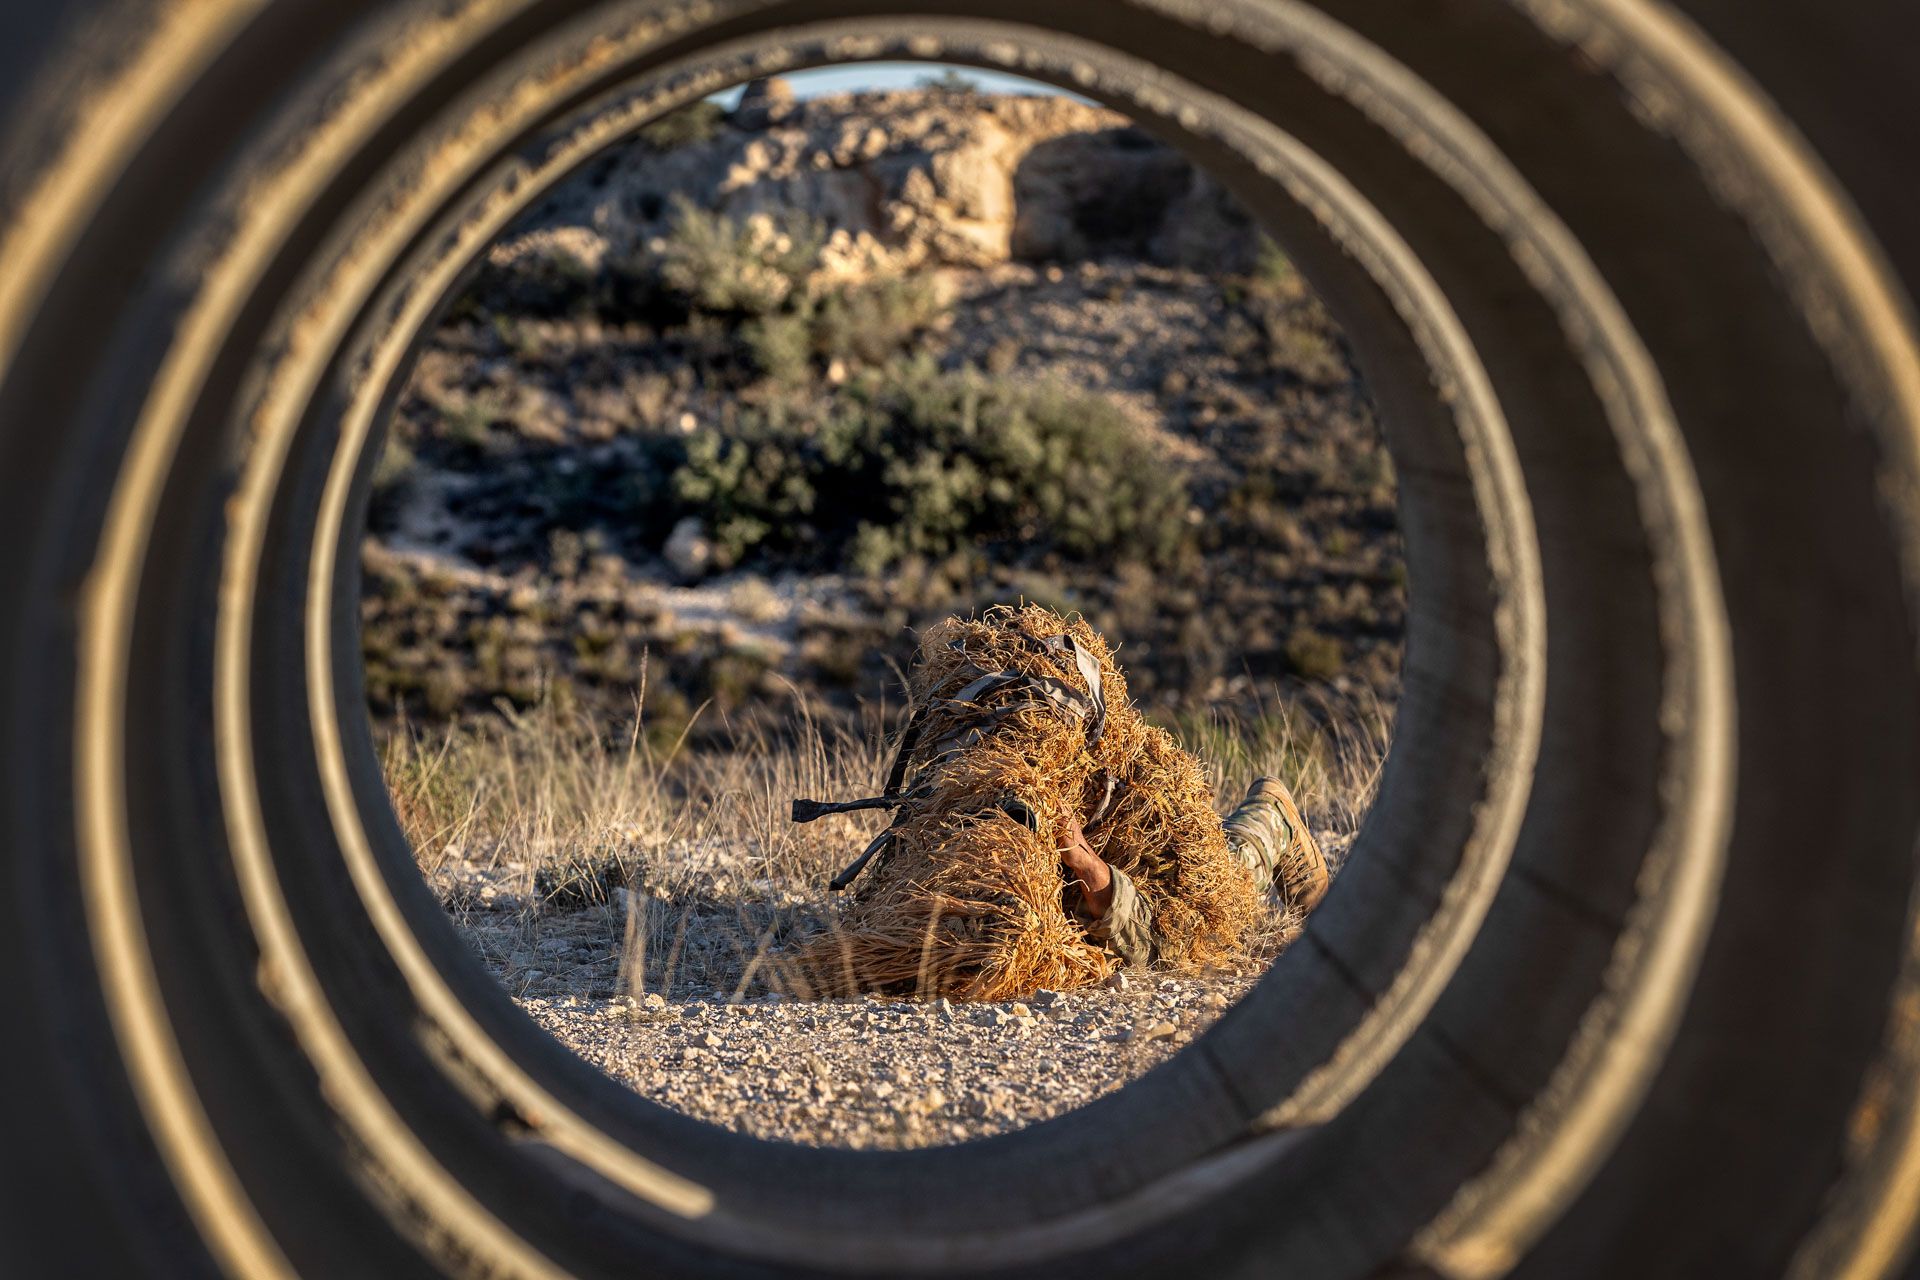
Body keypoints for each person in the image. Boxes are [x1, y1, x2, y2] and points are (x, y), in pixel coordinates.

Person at [1061, 776, 1328, 968]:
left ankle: (1332, 930)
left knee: (1263, 826)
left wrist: (1082, 858)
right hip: (1132, 890)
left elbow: (1148, 935)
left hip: (1182, 897)